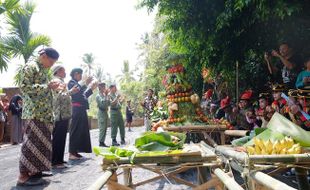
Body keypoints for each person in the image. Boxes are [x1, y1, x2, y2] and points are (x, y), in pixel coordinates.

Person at [17, 48, 60, 186]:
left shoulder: (42, 70)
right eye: (51, 62)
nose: (51, 65)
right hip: (35, 113)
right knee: (31, 144)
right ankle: (23, 176)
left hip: (45, 113)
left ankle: (35, 173)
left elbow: (46, 89)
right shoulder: (31, 67)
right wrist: (47, 86)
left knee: (41, 145)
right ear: (44, 56)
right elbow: (25, 87)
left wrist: (53, 87)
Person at [50, 64, 79, 168]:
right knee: (58, 138)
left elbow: (63, 95)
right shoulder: (56, 81)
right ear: (58, 71)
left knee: (61, 137)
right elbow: (59, 97)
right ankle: (55, 162)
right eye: (63, 71)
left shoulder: (60, 81)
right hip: (60, 114)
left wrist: (70, 91)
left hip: (63, 114)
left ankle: (59, 160)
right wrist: (71, 91)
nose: (65, 73)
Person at [68, 68, 97, 160]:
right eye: (80, 74)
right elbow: (76, 93)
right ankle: (71, 152)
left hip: (81, 109)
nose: (81, 76)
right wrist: (86, 83)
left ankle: (76, 151)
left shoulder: (78, 84)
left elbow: (83, 96)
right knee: (75, 130)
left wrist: (91, 88)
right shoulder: (71, 83)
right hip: (76, 109)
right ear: (75, 74)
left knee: (81, 130)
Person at [96, 82, 110, 147]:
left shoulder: (104, 95)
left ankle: (102, 142)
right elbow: (102, 104)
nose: (104, 88)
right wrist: (106, 96)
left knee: (105, 128)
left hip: (105, 113)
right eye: (103, 87)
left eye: (105, 86)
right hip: (101, 113)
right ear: (100, 88)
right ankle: (101, 142)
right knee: (102, 128)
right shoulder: (98, 96)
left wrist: (107, 96)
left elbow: (108, 104)